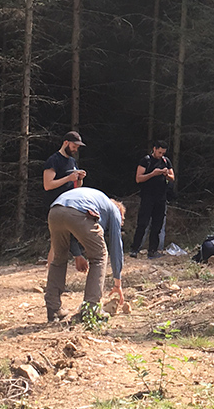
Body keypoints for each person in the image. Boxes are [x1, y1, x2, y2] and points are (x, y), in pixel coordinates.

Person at [45, 186, 126, 323]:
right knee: (100, 256)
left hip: (55, 211)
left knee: (59, 259)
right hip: (79, 213)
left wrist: (77, 255)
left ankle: (53, 309)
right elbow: (116, 246)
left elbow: (71, 231)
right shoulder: (115, 211)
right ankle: (91, 308)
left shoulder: (97, 200)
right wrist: (117, 283)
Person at [129, 140, 175, 259]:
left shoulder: (166, 161)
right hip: (147, 197)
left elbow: (172, 177)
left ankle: (153, 250)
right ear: (154, 149)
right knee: (143, 223)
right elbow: (138, 178)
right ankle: (135, 249)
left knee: (157, 225)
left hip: (161, 198)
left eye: (163, 153)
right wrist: (153, 174)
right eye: (159, 152)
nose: (161, 155)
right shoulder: (146, 161)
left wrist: (165, 174)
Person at [43, 131, 87, 206]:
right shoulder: (54, 160)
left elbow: (77, 186)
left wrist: (80, 178)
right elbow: (47, 185)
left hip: (70, 204)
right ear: (66, 143)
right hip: (56, 205)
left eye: (77, 148)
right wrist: (68, 178)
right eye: (73, 147)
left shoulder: (72, 161)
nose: (75, 150)